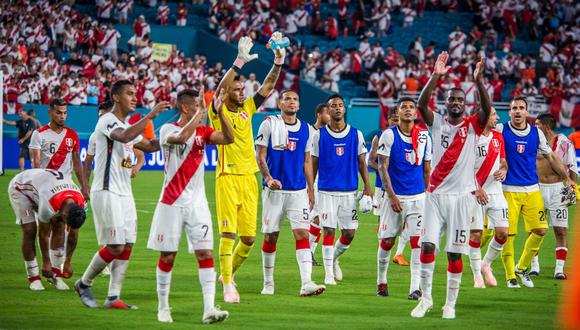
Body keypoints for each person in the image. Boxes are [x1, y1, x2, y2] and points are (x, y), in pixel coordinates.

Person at [73, 80, 170, 310]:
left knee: (127, 245)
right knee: (115, 246)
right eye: (129, 93)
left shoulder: (126, 124)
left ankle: (113, 297)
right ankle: (84, 283)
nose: (135, 97)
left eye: (135, 93)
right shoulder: (107, 121)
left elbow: (149, 145)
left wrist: (179, 133)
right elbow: (124, 137)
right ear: (116, 97)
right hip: (107, 191)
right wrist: (151, 116)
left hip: (125, 193)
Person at [411, 52, 491, 319]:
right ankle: (426, 300)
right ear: (446, 103)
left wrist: (479, 80)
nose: (456, 102)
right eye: (452, 99)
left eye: (460, 99)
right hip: (434, 196)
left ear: (465, 104)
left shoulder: (473, 126)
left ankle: (450, 304)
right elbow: (421, 105)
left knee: (455, 254)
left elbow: (488, 110)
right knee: (427, 247)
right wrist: (435, 76)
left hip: (461, 199)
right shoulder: (436, 124)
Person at [209, 34, 284, 303]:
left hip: (249, 179)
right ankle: (229, 285)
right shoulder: (218, 111)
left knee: (250, 239)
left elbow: (267, 86)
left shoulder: (247, 109)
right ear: (227, 93)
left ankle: (226, 274)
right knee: (228, 234)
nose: (242, 92)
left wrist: (278, 62)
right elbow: (221, 89)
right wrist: (238, 61)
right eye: (237, 89)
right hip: (227, 177)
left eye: (243, 90)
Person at [148, 88, 232, 324]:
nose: (200, 109)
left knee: (205, 253)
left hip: (198, 204)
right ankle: (163, 308)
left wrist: (220, 112)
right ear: (185, 107)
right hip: (171, 202)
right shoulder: (167, 129)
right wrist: (200, 116)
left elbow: (228, 138)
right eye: (197, 105)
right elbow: (181, 138)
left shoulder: (203, 132)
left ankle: (209, 309)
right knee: (168, 255)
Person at [497, 96, 574, 288]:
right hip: (508, 189)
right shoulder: (501, 129)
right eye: (514, 108)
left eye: (521, 108)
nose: (517, 111)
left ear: (526, 111)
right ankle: (510, 276)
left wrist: (568, 178)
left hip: (533, 190)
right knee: (508, 235)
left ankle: (522, 267)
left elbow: (553, 158)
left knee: (541, 230)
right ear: (509, 110)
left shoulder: (536, 134)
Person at [255, 89, 326, 297]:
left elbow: (307, 162)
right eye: (288, 99)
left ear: (299, 105)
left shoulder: (307, 129)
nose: (292, 102)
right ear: (280, 103)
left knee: (302, 234)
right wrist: (268, 178)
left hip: (298, 192)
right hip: (274, 191)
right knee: (271, 236)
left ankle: (306, 282)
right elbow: (260, 154)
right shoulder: (269, 123)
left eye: (296, 99)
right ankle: (268, 284)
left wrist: (311, 190)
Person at [312, 93, 373, 286]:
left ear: (344, 109)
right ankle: (328, 273)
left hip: (349, 192)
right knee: (328, 230)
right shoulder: (319, 135)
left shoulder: (356, 134)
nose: (337, 108)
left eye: (340, 105)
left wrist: (368, 188)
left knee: (349, 234)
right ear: (328, 111)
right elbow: (313, 164)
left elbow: (362, 163)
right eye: (333, 106)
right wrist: (310, 190)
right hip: (326, 191)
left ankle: (335, 258)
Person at [376, 97, 431, 299]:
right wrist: (391, 196)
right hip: (395, 197)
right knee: (387, 241)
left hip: (418, 198)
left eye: (411, 107)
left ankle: (414, 288)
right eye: (403, 107)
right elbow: (382, 167)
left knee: (418, 242)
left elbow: (427, 169)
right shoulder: (389, 135)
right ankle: (381, 281)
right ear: (397, 113)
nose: (408, 110)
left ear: (416, 113)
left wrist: (428, 195)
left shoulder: (424, 137)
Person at [28, 98, 85, 282]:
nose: (62, 116)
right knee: (45, 226)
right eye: (59, 112)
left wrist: (84, 185)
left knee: (60, 225)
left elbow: (77, 162)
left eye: (65, 112)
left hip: (66, 188)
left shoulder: (72, 135)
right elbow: (35, 163)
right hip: (45, 189)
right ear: (50, 112)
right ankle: (46, 265)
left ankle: (55, 269)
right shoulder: (39, 134)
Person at [8, 168, 86, 291]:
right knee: (30, 230)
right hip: (20, 189)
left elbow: (73, 235)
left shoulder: (81, 202)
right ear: (65, 214)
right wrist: (46, 262)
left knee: (60, 225)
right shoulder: (49, 203)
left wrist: (67, 262)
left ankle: (56, 274)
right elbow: (43, 234)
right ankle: (34, 278)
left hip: (46, 187)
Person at [534, 113, 578, 279]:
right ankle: (534, 266)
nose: (534, 128)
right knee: (536, 229)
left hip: (558, 190)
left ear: (546, 126)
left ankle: (559, 269)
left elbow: (572, 166)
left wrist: (572, 190)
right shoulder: (533, 141)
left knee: (561, 230)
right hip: (536, 189)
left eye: (537, 125)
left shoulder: (564, 143)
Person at [470, 107, 509, 289]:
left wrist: (503, 170)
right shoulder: (471, 138)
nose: (497, 117)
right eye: (494, 114)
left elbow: (503, 162)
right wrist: (477, 188)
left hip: (495, 191)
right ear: (484, 116)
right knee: (476, 235)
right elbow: (462, 167)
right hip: (474, 194)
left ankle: (485, 265)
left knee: (502, 233)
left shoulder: (498, 137)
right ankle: (477, 275)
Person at [307, 103, 330, 265]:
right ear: (319, 115)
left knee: (322, 219)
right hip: (314, 180)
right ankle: (307, 251)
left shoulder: (329, 134)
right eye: (327, 113)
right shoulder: (310, 132)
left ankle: (309, 252)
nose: (330, 116)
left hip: (326, 180)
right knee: (317, 217)